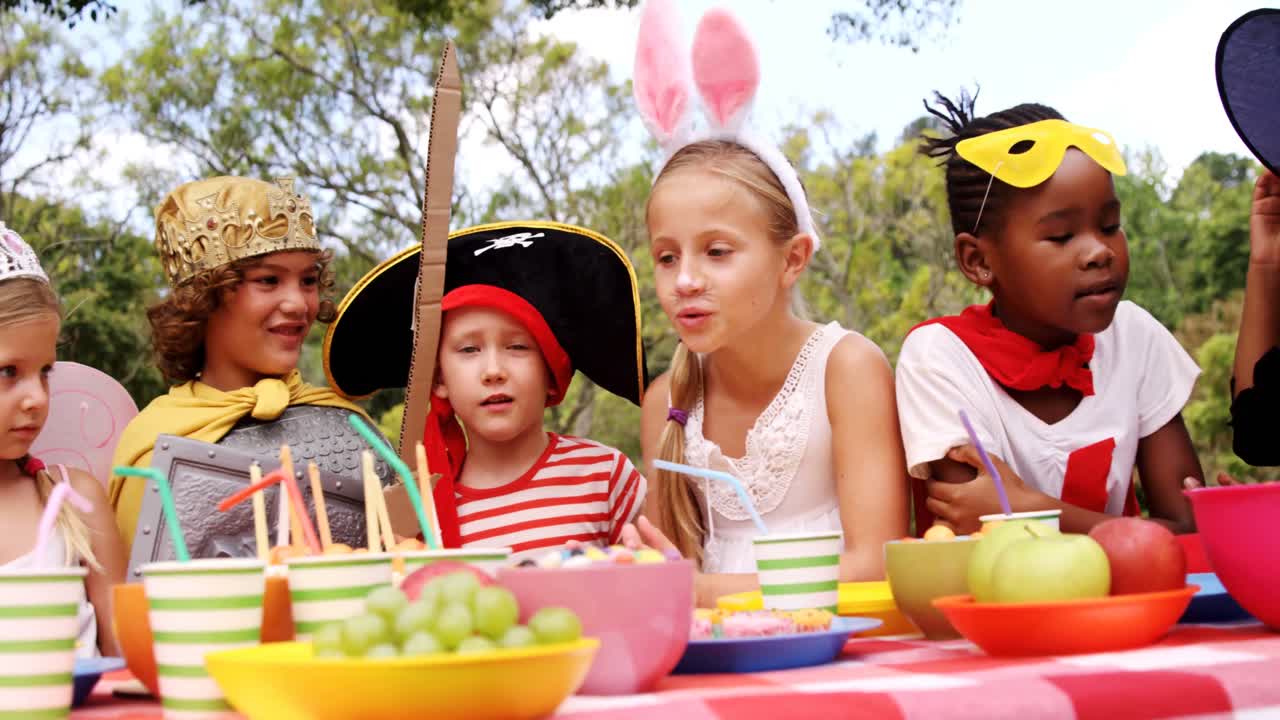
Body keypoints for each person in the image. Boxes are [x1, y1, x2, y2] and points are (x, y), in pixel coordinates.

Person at [630, 1, 909, 607]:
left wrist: (704, 590)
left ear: (792, 259)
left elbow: (875, 565)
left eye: (717, 252)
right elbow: (669, 578)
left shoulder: (846, 370)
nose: (685, 280)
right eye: (667, 257)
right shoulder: (666, 402)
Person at [895, 91, 1202, 535]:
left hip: (1131, 585)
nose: (1099, 251)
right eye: (1061, 236)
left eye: (1110, 226)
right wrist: (1124, 534)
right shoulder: (941, 358)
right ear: (978, 261)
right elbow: (981, 534)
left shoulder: (1134, 338)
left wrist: (1031, 509)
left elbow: (1192, 531)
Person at [323, 222, 649, 558]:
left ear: (552, 374)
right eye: (469, 349)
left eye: (517, 347)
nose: (493, 371)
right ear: (439, 380)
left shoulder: (605, 476)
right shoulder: (419, 514)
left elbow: (663, 572)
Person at [110, 176, 387, 556]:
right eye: (269, 280)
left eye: (308, 280)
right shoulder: (151, 445)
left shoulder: (351, 429)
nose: (298, 303)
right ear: (203, 299)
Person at [0, 221, 125, 656]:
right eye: (8, 371)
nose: (37, 397)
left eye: (45, 372)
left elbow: (125, 662)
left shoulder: (75, 500)